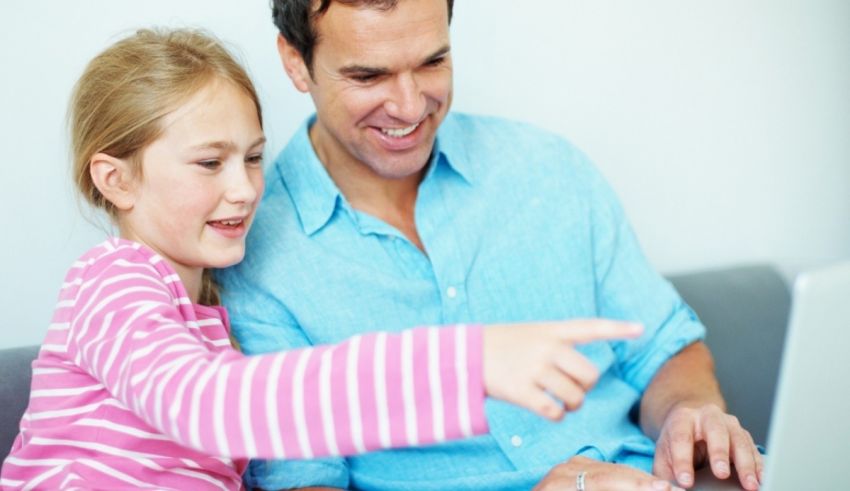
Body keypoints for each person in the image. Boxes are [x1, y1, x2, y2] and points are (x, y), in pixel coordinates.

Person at [0, 28, 644, 491]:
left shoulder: (211, 318)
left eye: (253, 157)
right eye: (210, 162)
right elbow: (210, 407)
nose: (245, 189)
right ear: (115, 180)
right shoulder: (111, 281)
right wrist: (465, 364)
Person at [216, 1, 765, 490]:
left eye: (432, 62)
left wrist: (689, 412)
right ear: (295, 61)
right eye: (369, 75)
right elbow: (305, 482)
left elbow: (664, 346)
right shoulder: (254, 258)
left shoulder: (546, 167)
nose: (409, 106)